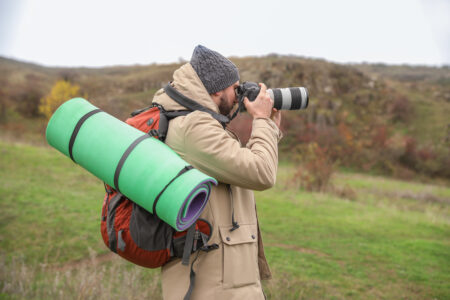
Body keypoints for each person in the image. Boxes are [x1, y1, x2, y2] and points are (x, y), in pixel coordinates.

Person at [152, 45, 282, 299]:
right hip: (215, 285)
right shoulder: (195, 127)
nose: (238, 95)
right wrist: (262, 121)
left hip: (224, 279)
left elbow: (241, 164)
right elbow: (262, 172)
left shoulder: (192, 120)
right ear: (214, 90)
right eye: (234, 88)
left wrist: (270, 128)